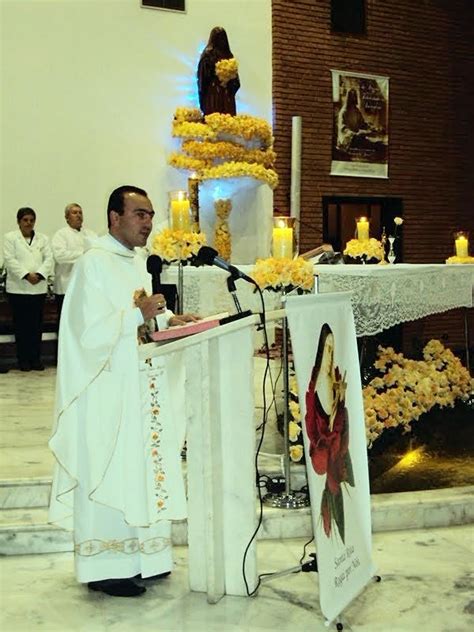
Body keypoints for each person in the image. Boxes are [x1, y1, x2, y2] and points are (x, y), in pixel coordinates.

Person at [49, 185, 198, 597]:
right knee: (110, 469)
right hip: (105, 394)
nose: (148, 222)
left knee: (141, 469)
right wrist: (138, 312)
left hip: (137, 389)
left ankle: (145, 556)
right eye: (139, 214)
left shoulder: (135, 263)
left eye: (150, 214)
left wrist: (171, 321)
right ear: (114, 217)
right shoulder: (92, 264)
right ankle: (106, 565)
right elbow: (84, 332)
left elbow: (142, 323)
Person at [305, 324, 354, 542]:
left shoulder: (334, 375)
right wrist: (326, 440)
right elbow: (311, 425)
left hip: (337, 448)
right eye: (327, 348)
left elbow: (340, 415)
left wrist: (341, 401)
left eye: (333, 348)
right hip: (325, 451)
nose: (331, 353)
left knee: (340, 498)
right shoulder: (315, 385)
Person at [3, 207, 53, 371]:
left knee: (36, 326)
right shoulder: (10, 238)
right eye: (25, 220)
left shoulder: (43, 239)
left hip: (37, 289)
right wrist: (26, 275)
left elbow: (49, 259)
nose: (28, 223)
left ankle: (36, 359)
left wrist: (38, 274)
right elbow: (10, 260)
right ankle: (23, 360)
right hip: (18, 289)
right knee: (21, 327)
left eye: (31, 220)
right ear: (19, 222)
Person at [51, 203, 96, 322]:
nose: (78, 215)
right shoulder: (61, 234)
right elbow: (60, 256)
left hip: (86, 287)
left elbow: (97, 255)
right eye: (74, 213)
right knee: (67, 323)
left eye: (80, 213)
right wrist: (84, 254)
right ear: (66, 217)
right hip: (66, 286)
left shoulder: (91, 234)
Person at [197, 26, 240, 116]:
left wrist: (228, 80)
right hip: (213, 95)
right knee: (215, 121)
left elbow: (236, 82)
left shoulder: (229, 56)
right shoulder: (208, 56)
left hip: (226, 95)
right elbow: (203, 80)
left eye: (222, 39)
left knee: (226, 122)